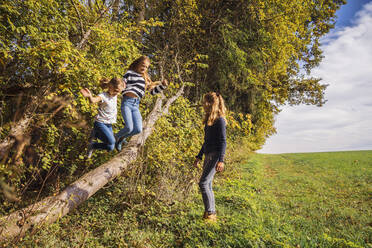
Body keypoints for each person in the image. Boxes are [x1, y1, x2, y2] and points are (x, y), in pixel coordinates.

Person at [115, 55, 168, 151]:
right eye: (143, 65)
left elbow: (152, 92)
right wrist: (114, 89)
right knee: (129, 127)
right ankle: (115, 138)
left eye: (146, 67)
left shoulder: (145, 79)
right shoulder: (129, 73)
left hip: (136, 105)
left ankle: (121, 138)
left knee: (138, 129)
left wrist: (162, 86)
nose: (144, 68)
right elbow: (122, 84)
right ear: (138, 63)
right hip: (127, 102)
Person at [193, 92, 227, 222]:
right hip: (208, 154)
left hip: (215, 155)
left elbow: (223, 141)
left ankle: (211, 213)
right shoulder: (209, 121)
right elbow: (206, 141)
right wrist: (199, 156)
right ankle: (210, 213)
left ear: (210, 103)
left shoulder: (220, 121)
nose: (203, 104)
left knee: (203, 182)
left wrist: (221, 160)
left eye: (204, 102)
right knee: (208, 184)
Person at [80, 78, 125, 158]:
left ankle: (93, 145)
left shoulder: (114, 95)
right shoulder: (103, 96)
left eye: (119, 92)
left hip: (108, 124)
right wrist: (89, 96)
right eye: (116, 91)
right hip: (100, 123)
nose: (117, 94)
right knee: (112, 141)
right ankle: (96, 132)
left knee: (111, 147)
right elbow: (93, 101)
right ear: (110, 87)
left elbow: (123, 84)